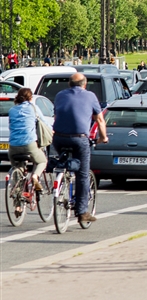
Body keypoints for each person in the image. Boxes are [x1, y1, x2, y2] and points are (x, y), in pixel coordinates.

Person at [51, 73, 108, 225]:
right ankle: (82, 212)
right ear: (84, 84)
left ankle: (61, 178)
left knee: (63, 161)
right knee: (83, 174)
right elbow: (100, 119)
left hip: (59, 138)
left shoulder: (60, 95)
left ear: (69, 84)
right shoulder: (90, 96)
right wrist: (103, 137)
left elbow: (57, 116)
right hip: (79, 138)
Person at [8, 87, 48, 186]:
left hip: (13, 147)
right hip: (29, 144)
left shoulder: (12, 110)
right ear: (30, 98)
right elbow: (44, 123)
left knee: (17, 167)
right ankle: (35, 176)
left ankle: (17, 188)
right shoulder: (33, 108)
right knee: (42, 161)